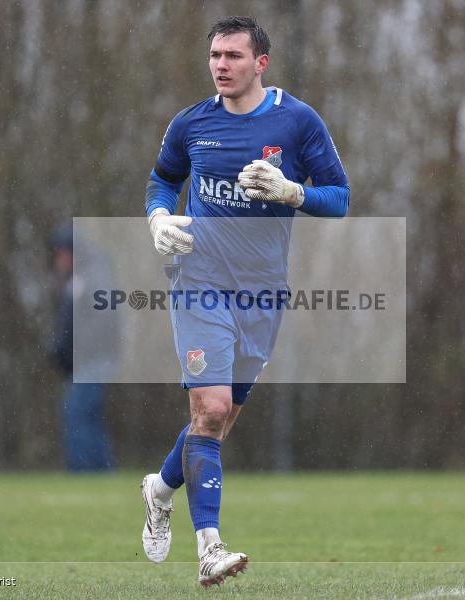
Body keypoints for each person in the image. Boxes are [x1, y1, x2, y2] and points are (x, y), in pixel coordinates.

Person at [140, 16, 349, 586]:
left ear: (261, 63)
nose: (220, 65)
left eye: (233, 55)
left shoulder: (298, 121)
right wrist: (159, 217)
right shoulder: (190, 124)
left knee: (221, 419)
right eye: (214, 55)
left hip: (262, 293)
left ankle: (158, 490)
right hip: (199, 280)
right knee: (207, 411)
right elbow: (161, 180)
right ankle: (210, 549)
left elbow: (341, 199)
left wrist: (291, 191)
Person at [49, 222, 116, 472]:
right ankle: (101, 473)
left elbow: (101, 322)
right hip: (88, 360)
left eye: (63, 253)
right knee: (87, 417)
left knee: (77, 414)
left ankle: (84, 471)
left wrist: (76, 352)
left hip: (92, 361)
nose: (60, 260)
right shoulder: (81, 279)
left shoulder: (92, 278)